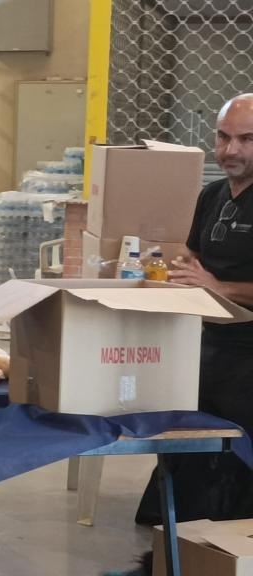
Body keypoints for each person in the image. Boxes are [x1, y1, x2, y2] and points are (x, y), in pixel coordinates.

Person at [118, 94, 253, 576]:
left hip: (248, 353)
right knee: (186, 436)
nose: (230, 149)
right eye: (223, 137)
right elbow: (196, 265)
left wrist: (221, 287)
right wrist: (172, 274)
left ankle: (231, 542)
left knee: (234, 452)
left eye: (245, 138)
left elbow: (215, 282)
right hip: (206, 343)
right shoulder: (212, 197)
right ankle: (181, 538)